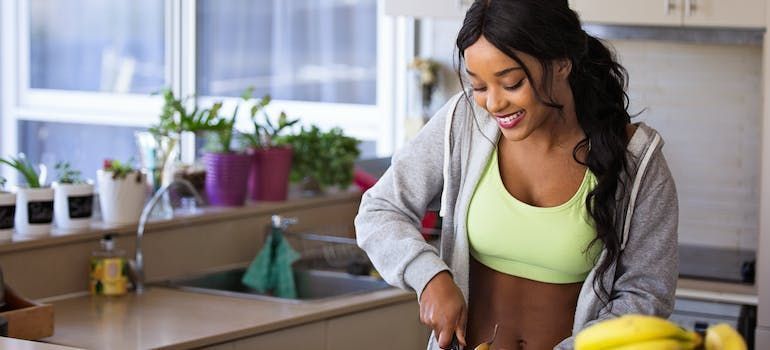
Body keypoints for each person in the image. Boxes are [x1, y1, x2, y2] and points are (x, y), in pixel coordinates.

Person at [355, 0, 678, 349]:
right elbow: (379, 211)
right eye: (479, 87)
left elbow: (646, 294)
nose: (494, 104)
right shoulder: (464, 122)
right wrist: (429, 275)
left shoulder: (636, 159)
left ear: (561, 64)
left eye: (510, 83)